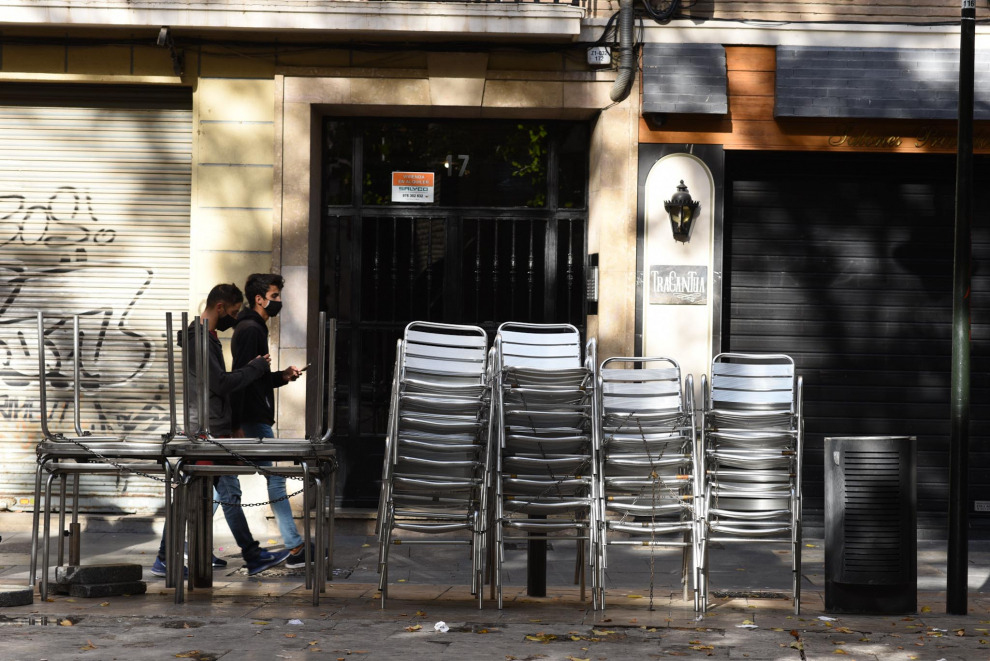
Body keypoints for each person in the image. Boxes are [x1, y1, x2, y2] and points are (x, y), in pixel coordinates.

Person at [151, 283, 291, 578]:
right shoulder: (198, 338)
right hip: (204, 431)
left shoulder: (208, 337)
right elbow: (221, 383)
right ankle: (170, 557)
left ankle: (248, 556)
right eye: (233, 311)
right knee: (201, 494)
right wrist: (255, 367)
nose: (235, 317)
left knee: (226, 492)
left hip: (213, 427)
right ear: (219, 308)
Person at [230, 273, 312, 568]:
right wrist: (237, 423)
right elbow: (240, 378)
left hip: (254, 414)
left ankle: (294, 546)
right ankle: (294, 547)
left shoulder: (253, 327)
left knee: (227, 485)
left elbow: (256, 379)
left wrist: (282, 376)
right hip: (253, 418)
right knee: (271, 481)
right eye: (275, 297)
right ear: (259, 299)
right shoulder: (252, 329)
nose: (278, 302)